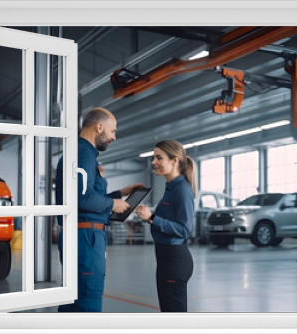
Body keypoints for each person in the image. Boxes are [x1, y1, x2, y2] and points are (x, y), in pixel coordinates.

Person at [55, 107, 145, 312]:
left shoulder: (82, 153)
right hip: (85, 238)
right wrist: (113, 204)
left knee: (75, 299)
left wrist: (121, 193)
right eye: (113, 131)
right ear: (99, 127)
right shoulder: (83, 154)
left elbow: (88, 195)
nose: (114, 137)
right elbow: (79, 197)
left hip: (83, 235)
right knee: (88, 300)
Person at [135, 140, 195, 312]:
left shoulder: (182, 189)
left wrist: (152, 218)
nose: (153, 162)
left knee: (174, 318)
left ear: (174, 161)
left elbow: (184, 229)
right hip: (165, 258)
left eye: (158, 158)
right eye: (154, 157)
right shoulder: (171, 188)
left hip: (174, 260)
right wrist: (149, 217)